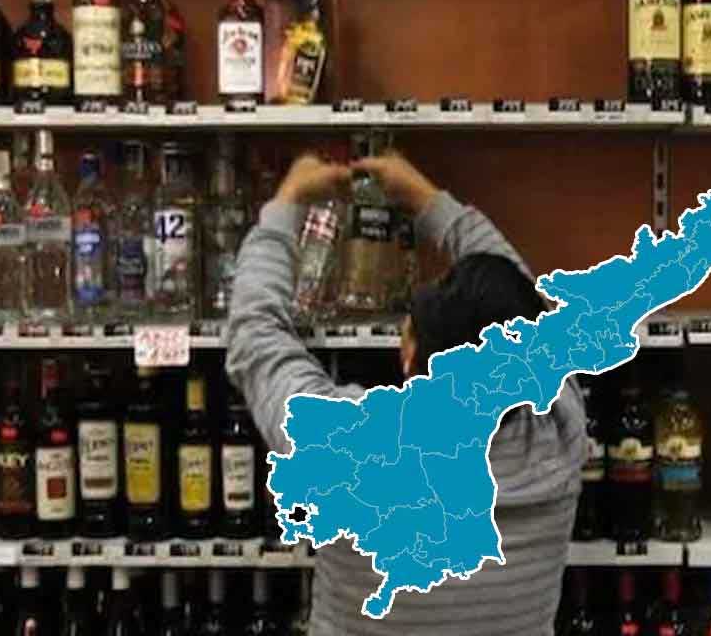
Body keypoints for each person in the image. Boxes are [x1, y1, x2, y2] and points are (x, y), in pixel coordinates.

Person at [226, 151, 585, 636]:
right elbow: (522, 306)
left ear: (409, 355)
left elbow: (256, 335)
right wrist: (426, 198)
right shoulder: (560, 431)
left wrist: (287, 201)